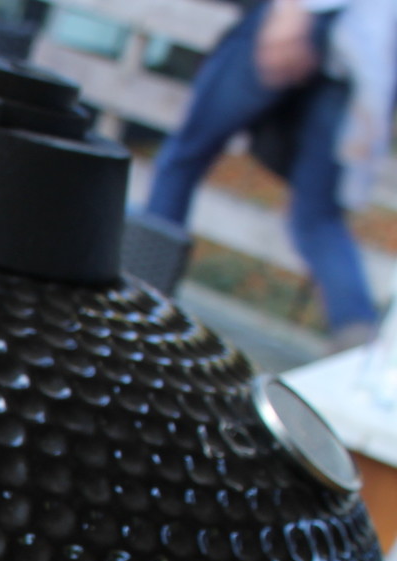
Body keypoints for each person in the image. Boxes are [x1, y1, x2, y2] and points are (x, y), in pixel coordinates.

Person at [145, 0, 397, 348]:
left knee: (182, 160)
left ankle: (142, 295)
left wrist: (291, 10)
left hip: (309, 20)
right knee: (317, 218)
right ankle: (359, 350)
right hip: (359, 49)